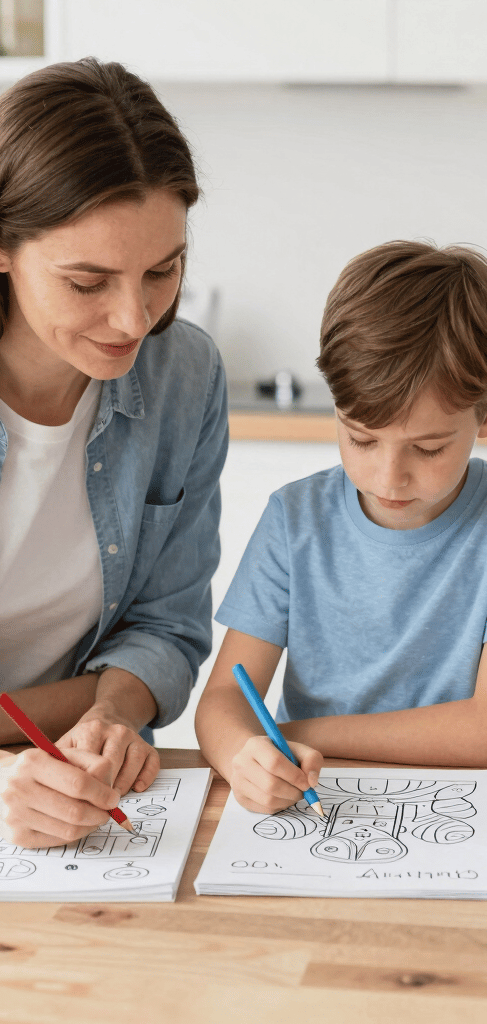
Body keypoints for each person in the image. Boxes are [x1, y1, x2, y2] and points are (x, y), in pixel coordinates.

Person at [195, 240, 487, 814]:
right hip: (312, 802)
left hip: (456, 811)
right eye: (361, 439)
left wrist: (298, 732)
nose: (388, 478)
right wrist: (242, 754)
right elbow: (224, 699)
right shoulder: (295, 517)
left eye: (428, 448)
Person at [0, 59, 228, 848]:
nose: (134, 320)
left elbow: (167, 624)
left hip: (79, 796)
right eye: (87, 282)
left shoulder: (183, 376)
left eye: (163, 271)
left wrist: (112, 714)